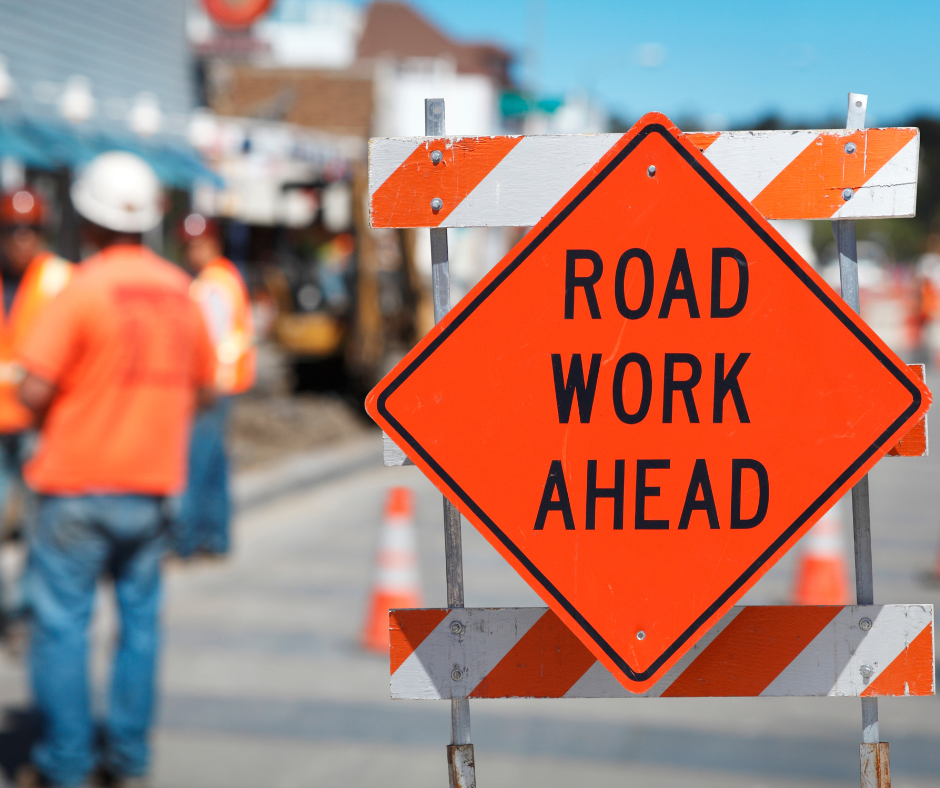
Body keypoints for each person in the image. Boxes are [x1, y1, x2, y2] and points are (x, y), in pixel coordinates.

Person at [15, 152, 215, 788]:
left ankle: (66, 765)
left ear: (89, 221)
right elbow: (206, 387)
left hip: (76, 483)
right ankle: (128, 758)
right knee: (140, 628)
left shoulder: (83, 289)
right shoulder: (182, 294)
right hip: (151, 486)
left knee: (61, 628)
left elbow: (34, 390)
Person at [173, 213, 255, 558]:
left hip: (211, 385)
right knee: (215, 461)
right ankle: (215, 537)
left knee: (196, 462)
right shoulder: (226, 276)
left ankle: (188, 539)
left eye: (199, 245)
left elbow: (206, 339)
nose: (193, 253)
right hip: (226, 382)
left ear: (213, 244)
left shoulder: (210, 284)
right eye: (189, 246)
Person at [0, 190, 71, 547]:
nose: (22, 238)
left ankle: (29, 601)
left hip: (38, 418)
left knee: (36, 520)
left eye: (30, 229)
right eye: (13, 229)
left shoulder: (61, 278)